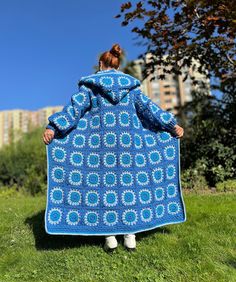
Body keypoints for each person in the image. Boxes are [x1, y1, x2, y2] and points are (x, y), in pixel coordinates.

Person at [43, 44, 185, 253]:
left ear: (101, 64)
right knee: (129, 187)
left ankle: (110, 237)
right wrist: (171, 125)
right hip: (128, 147)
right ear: (118, 64)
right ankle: (130, 237)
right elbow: (149, 110)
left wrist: (53, 127)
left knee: (103, 187)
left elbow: (74, 111)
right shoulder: (132, 87)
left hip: (100, 147)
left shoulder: (90, 87)